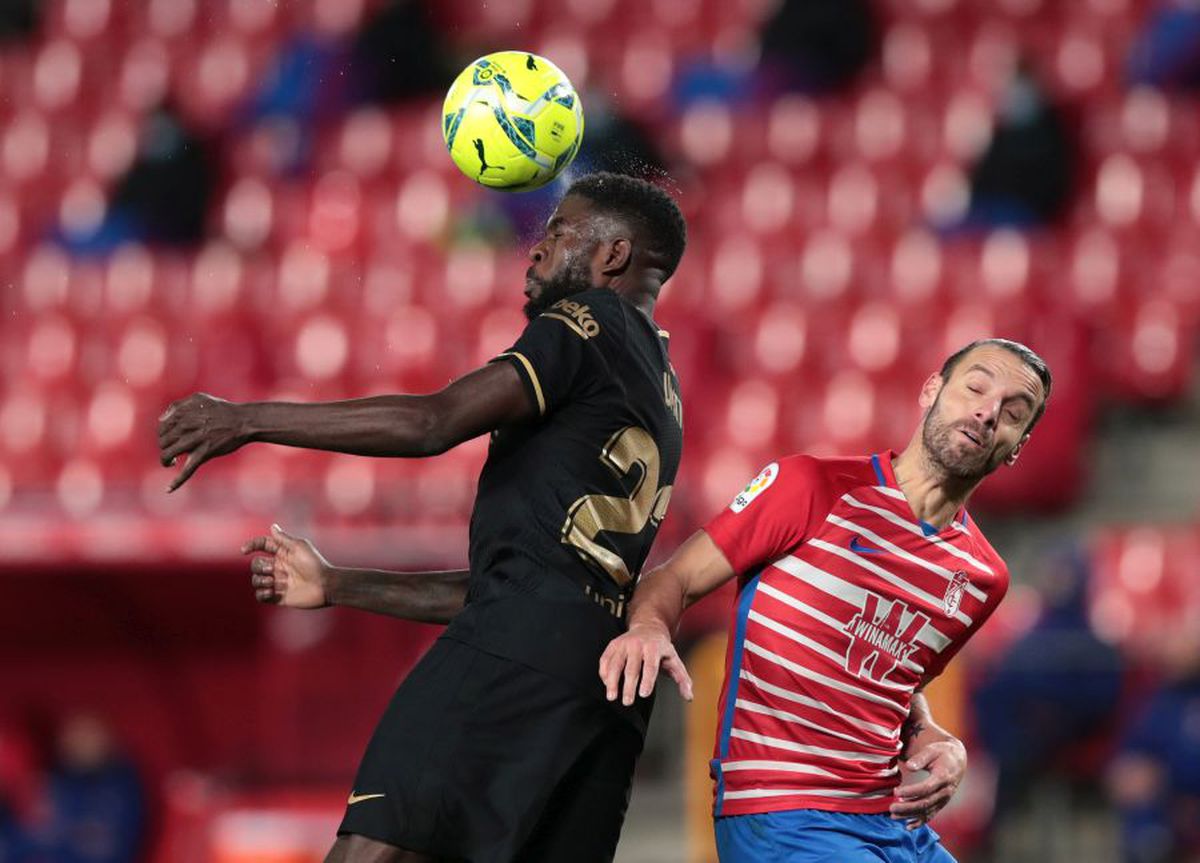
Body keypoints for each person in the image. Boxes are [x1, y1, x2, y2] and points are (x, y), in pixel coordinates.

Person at [156, 172, 688, 863]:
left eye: (557, 234)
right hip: (603, 694)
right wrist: (340, 584)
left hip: (513, 665)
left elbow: (432, 422)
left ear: (613, 255)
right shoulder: (663, 389)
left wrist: (247, 418)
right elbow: (526, 587)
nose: (535, 250)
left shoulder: (585, 322)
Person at [601, 338, 1052, 863]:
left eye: (1012, 412)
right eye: (975, 387)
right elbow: (672, 580)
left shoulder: (983, 579)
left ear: (1017, 446)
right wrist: (650, 627)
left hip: (893, 822)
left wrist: (930, 733)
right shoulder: (810, 487)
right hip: (783, 811)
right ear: (931, 390)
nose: (987, 411)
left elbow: (895, 683)